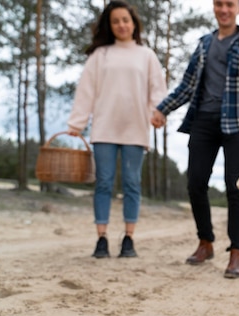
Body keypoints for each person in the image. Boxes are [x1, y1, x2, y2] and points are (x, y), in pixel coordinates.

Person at [151, 0, 239, 279]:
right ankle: (205, 242)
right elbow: (187, 85)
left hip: (238, 122)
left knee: (235, 186)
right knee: (195, 183)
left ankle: (236, 253)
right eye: (219, 4)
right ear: (214, 8)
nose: (224, 9)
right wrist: (162, 109)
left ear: (238, 8)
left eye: (229, 4)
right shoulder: (204, 44)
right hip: (204, 120)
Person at [67, 0, 167, 259]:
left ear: (134, 23)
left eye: (125, 20)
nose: (121, 25)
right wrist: (77, 123)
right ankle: (101, 239)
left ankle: (128, 239)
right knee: (103, 182)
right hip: (104, 128)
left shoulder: (146, 55)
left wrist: (159, 112)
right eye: (116, 21)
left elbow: (157, 89)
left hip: (135, 127)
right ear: (109, 26)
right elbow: (86, 91)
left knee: (132, 183)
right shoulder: (100, 56)